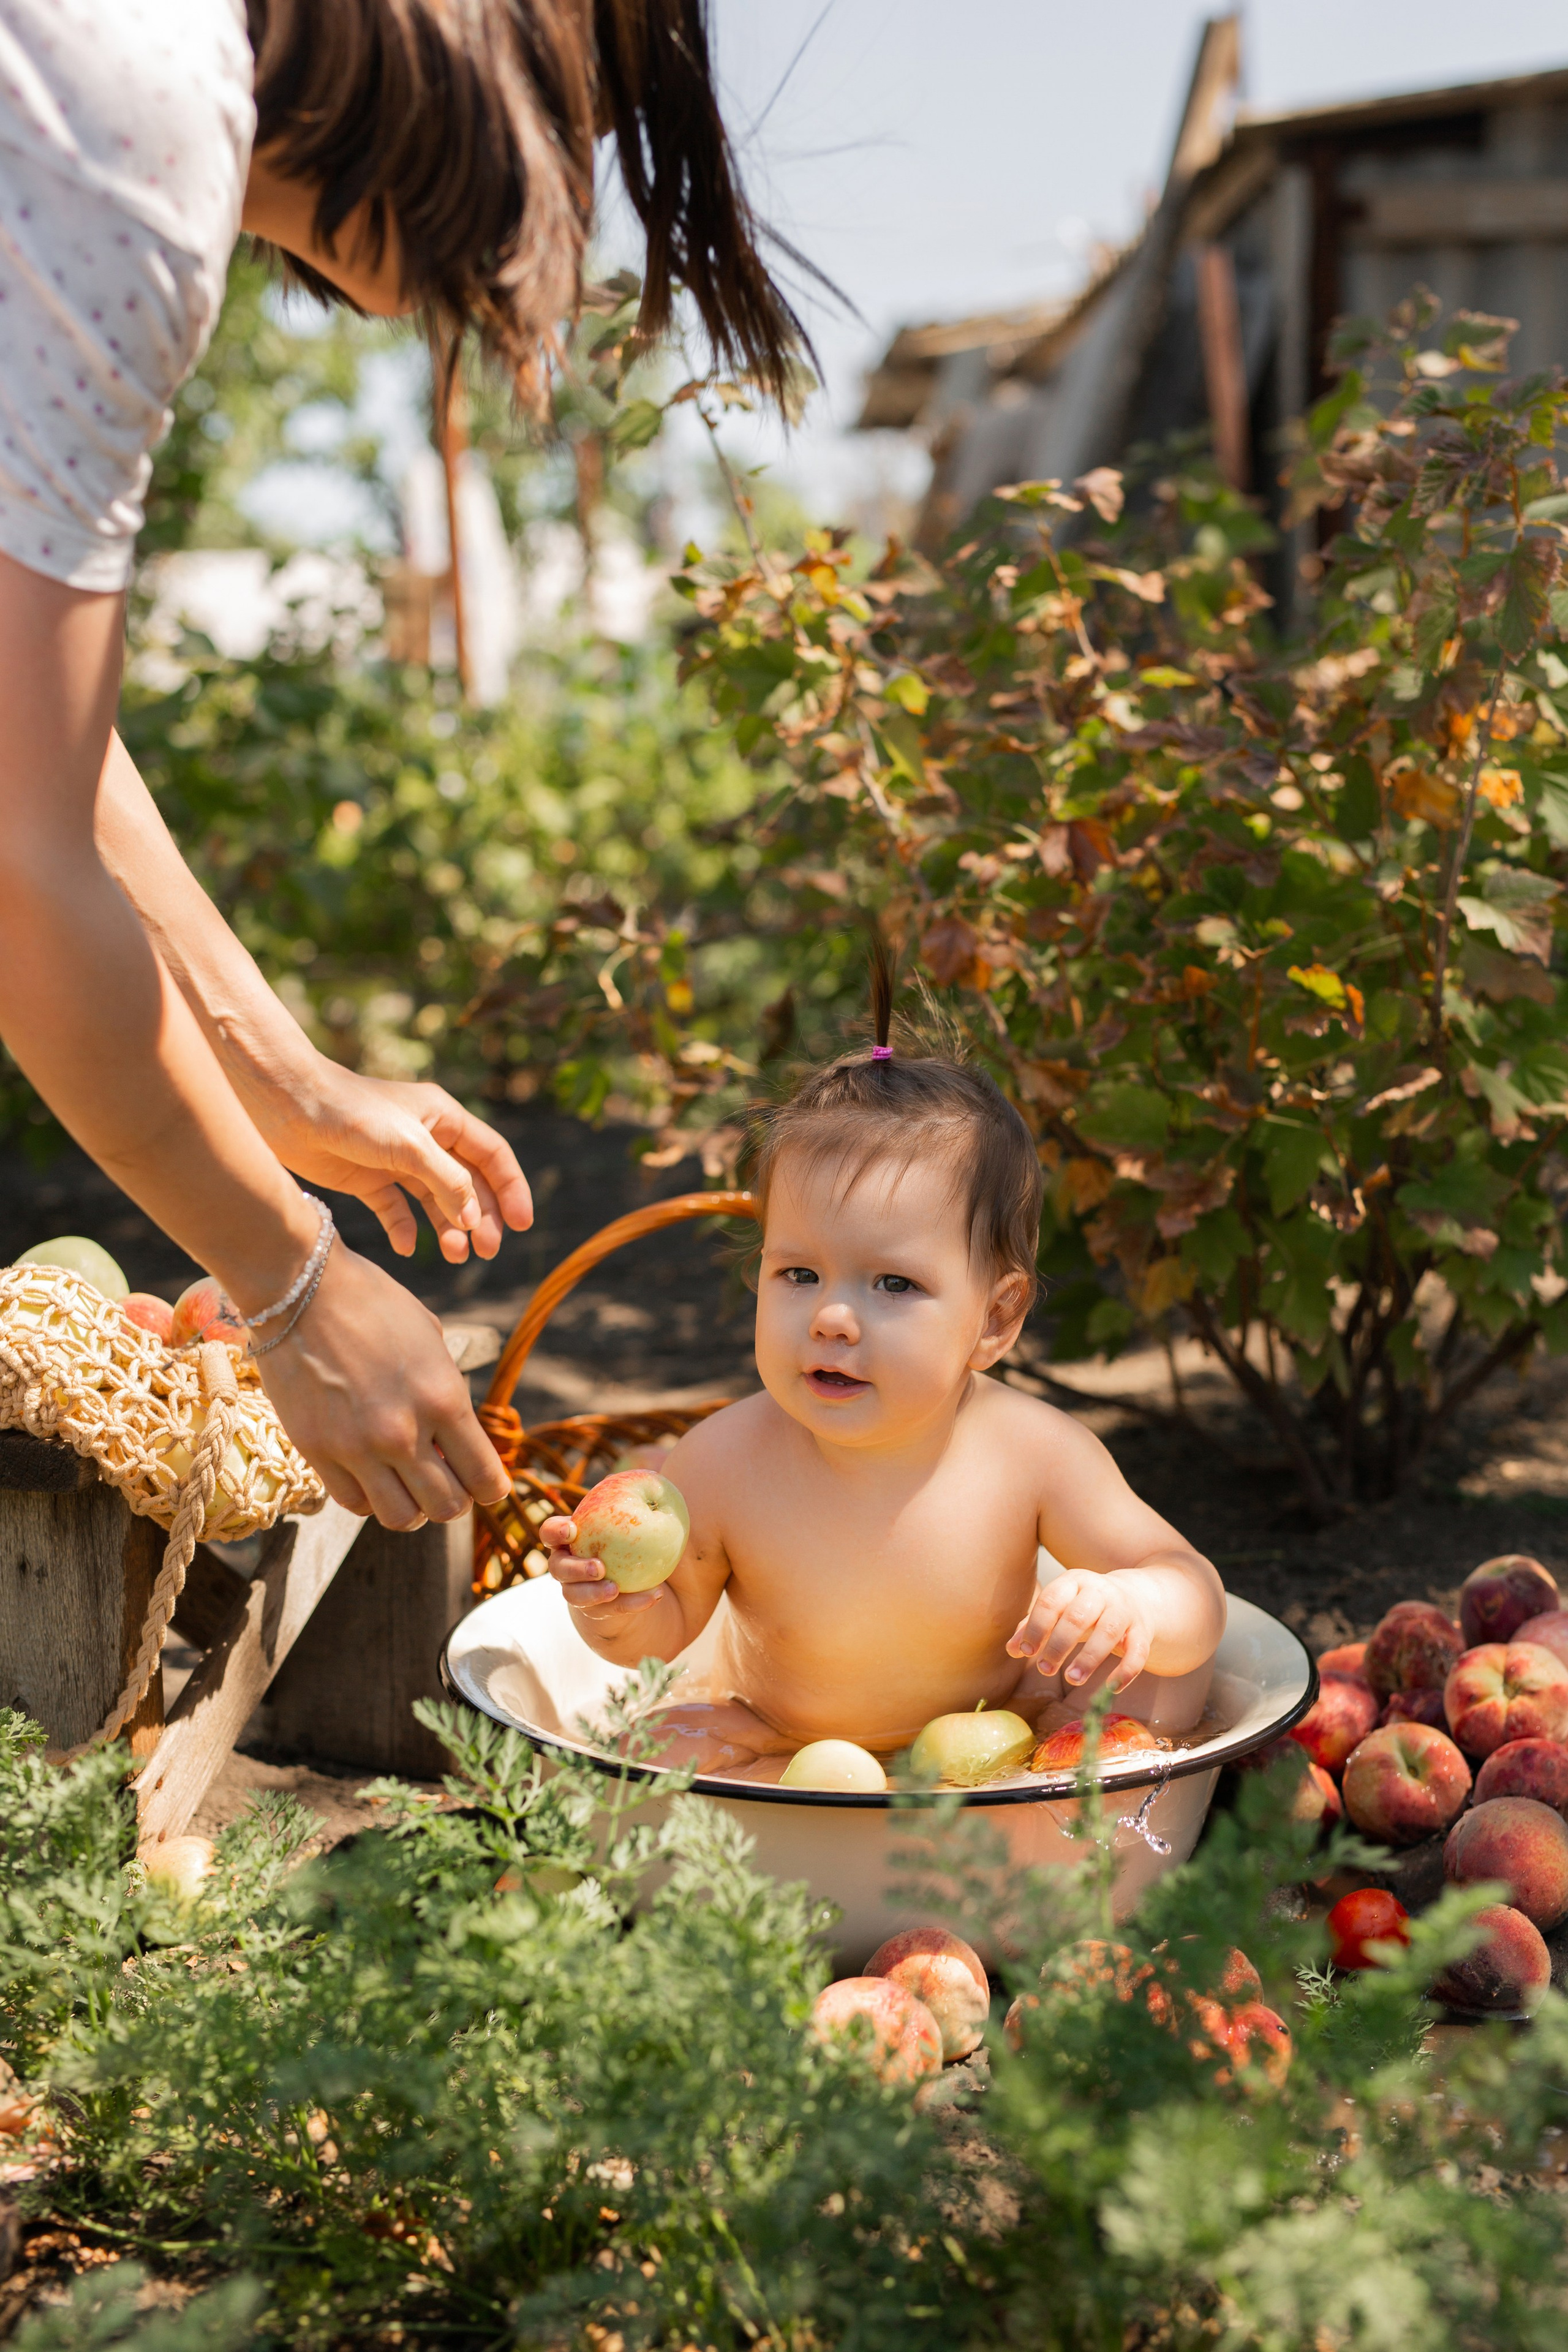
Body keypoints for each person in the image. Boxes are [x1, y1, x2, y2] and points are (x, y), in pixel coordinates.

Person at [0, 1, 802, 1529]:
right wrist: (292, 1284)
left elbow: (27, 750)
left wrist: (282, 1082)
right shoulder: (142, 108)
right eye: (577, 123)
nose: (563, 202)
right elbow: (14, 855)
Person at [544, 968, 1226, 1775]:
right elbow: (668, 1629)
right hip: (781, 1731)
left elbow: (1195, 1590)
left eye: (893, 1285)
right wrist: (615, 1611)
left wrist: (1131, 1604)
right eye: (799, 1275)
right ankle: (804, 1839)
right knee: (644, 1749)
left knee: (1167, 1681)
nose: (832, 1317)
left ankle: (1048, 1809)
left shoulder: (1031, 1451)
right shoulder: (724, 1460)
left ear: (995, 1319)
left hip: (1005, 1724)